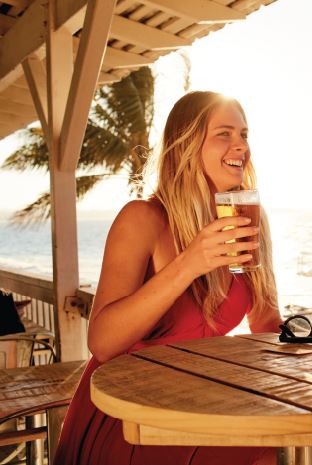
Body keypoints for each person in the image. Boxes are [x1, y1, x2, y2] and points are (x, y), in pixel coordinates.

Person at [54, 91, 281, 465]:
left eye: (244, 134)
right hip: (127, 410)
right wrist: (188, 264)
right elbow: (103, 342)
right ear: (187, 145)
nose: (241, 144)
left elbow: (267, 326)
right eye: (224, 133)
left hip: (198, 402)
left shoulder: (249, 218)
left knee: (263, 452)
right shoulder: (142, 219)